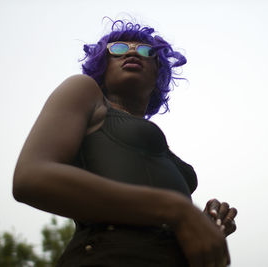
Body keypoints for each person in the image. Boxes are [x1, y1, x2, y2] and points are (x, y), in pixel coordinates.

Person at [13, 19, 237, 267]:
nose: (132, 51)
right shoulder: (84, 91)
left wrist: (203, 227)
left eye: (145, 51)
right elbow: (31, 178)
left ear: (158, 73)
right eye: (118, 49)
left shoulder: (167, 158)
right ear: (102, 65)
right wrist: (177, 211)